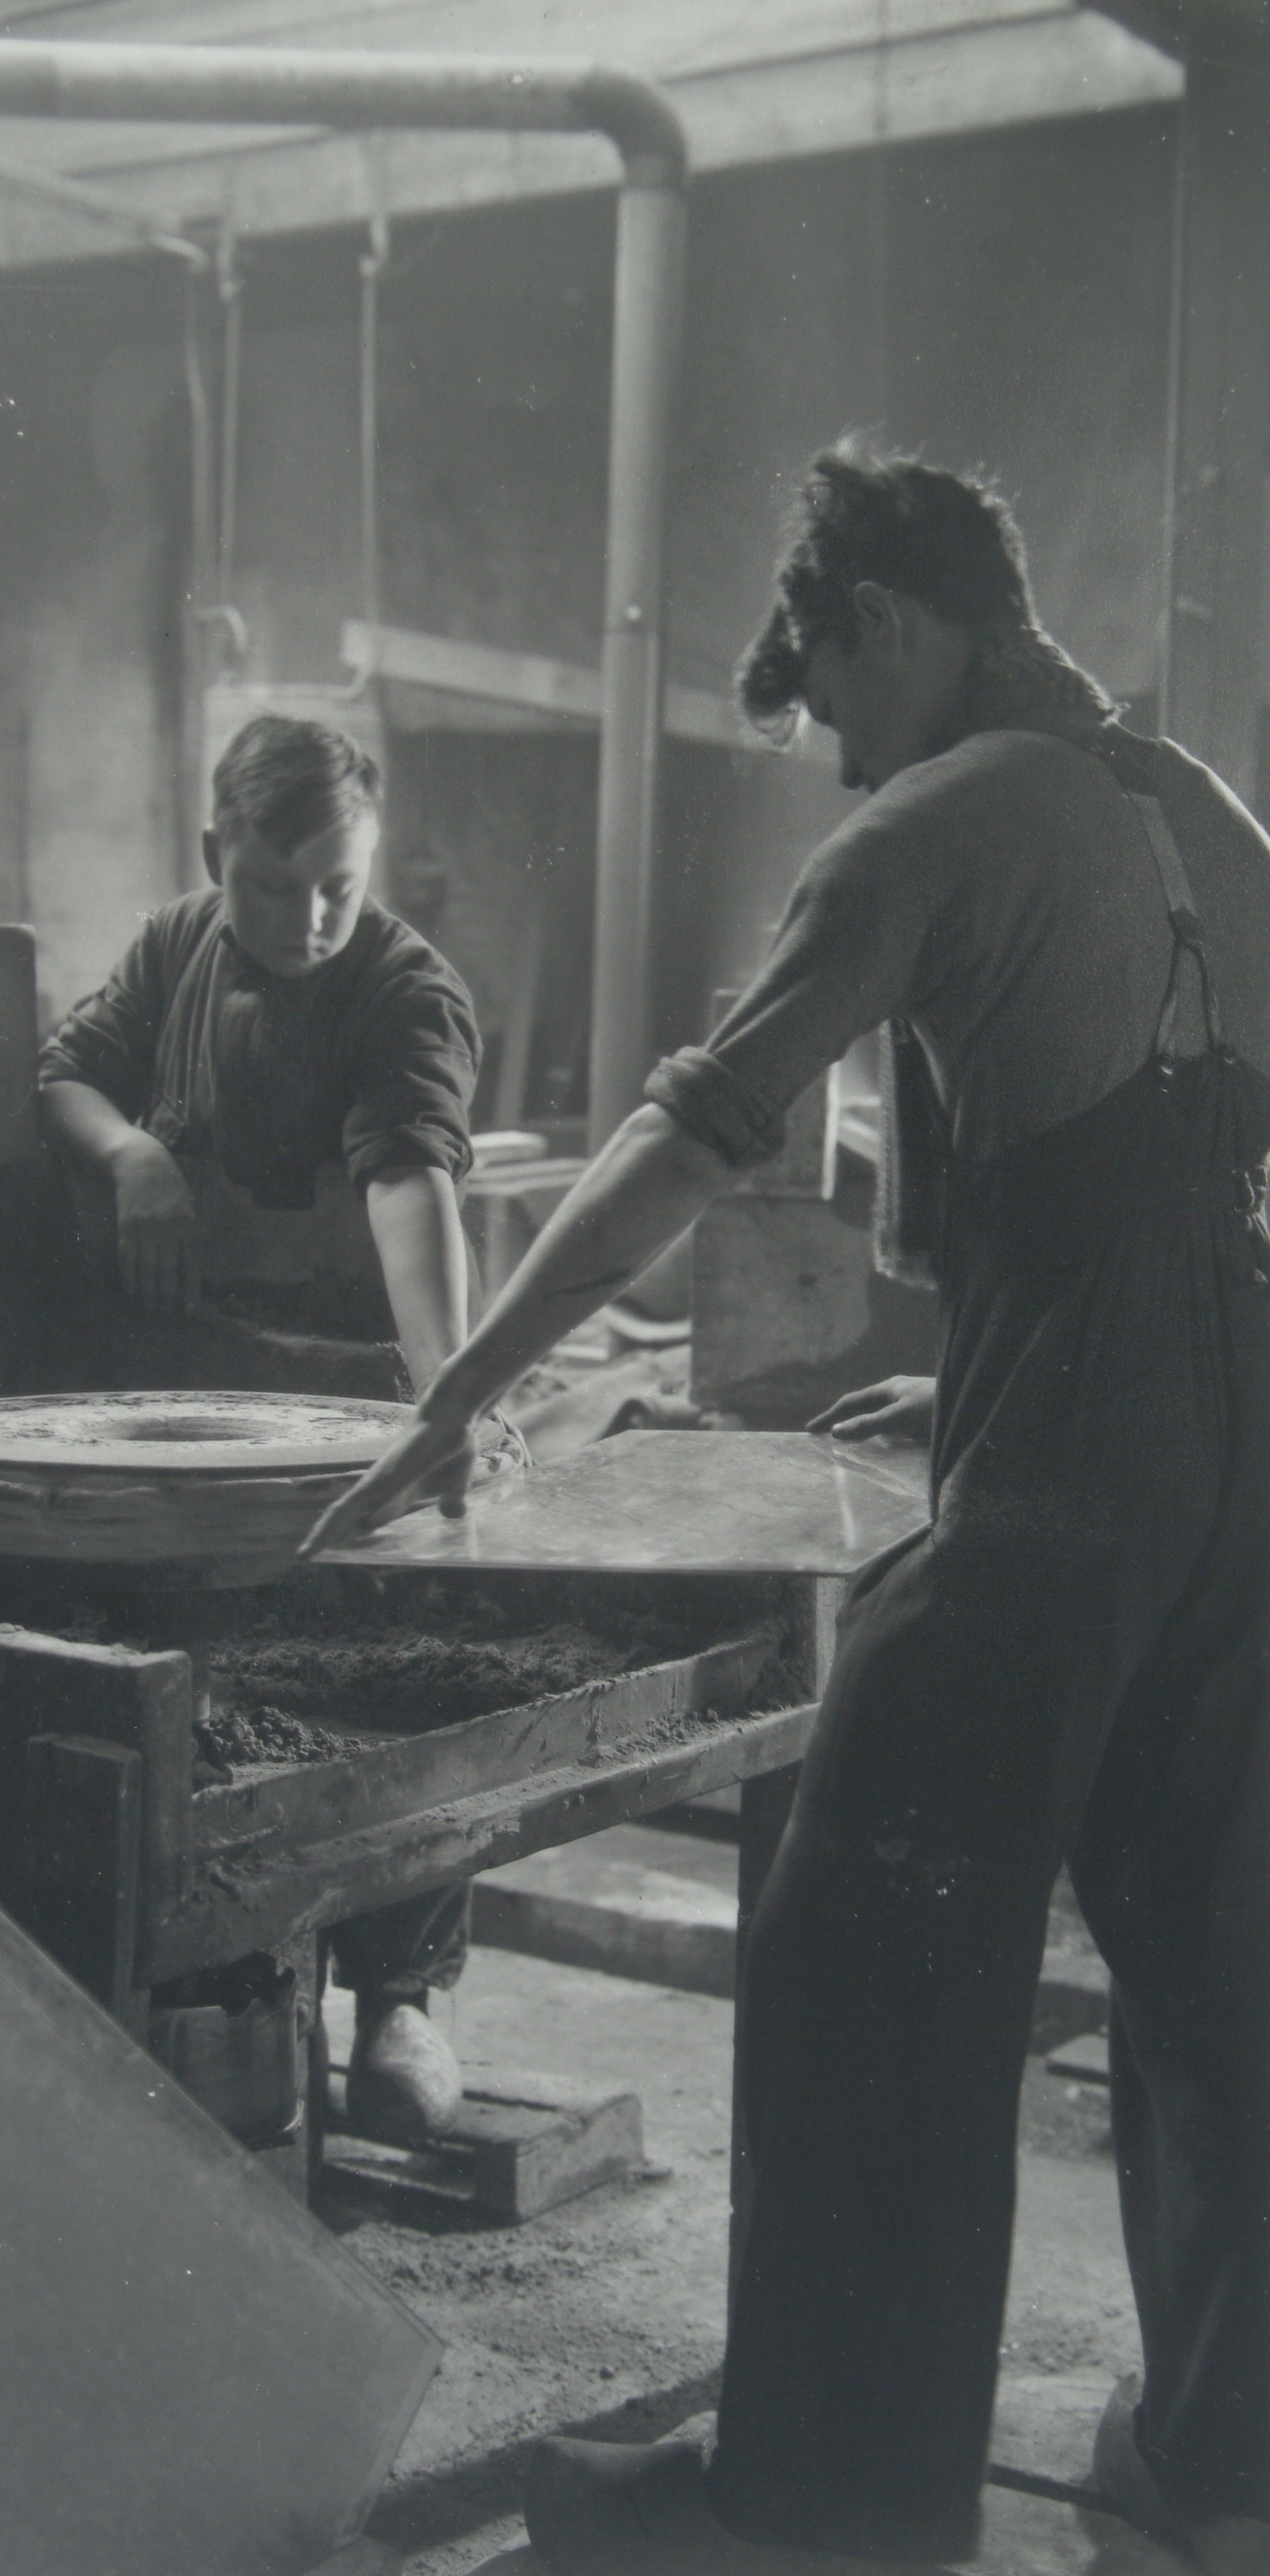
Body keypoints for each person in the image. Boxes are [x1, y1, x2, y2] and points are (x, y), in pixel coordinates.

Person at [306, 451, 1270, 2575]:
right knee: (1224, 1959)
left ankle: (825, 2509)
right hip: (1243, 1458)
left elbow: (695, 1132)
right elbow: (1178, 1179)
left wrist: (463, 1393)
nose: (837, 750)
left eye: (831, 695)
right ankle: (1222, 2465)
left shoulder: (931, 822)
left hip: (1080, 1473)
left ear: (882, 621)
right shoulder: (1212, 810)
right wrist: (1063, 1372)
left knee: (862, 1925)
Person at [38, 712, 483, 2147]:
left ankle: (402, 1998)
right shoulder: (175, 944)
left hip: (356, 1383)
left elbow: (410, 1183)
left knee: (392, 1676)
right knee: (214, 1682)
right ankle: (225, 1984)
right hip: (194, 1379)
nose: (309, 919)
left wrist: (449, 1398)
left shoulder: (405, 993)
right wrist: (133, 1152)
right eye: (274, 887)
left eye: (340, 886)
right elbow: (66, 1072)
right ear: (212, 853)